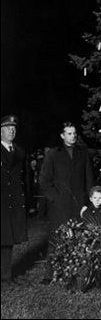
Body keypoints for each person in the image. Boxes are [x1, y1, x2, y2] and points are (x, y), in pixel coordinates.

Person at [39, 121, 94, 284]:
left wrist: (88, 200)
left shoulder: (83, 153)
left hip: (78, 203)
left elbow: (89, 178)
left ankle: (75, 272)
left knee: (78, 237)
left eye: (75, 133)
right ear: (62, 136)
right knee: (57, 237)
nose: (73, 136)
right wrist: (54, 197)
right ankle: (49, 274)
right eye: (69, 133)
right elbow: (43, 180)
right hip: (59, 204)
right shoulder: (53, 154)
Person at [1, 115, 28, 284]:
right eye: (8, 128)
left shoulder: (19, 152)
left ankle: (5, 276)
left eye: (14, 128)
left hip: (12, 203)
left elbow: (24, 178)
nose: (12, 131)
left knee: (7, 240)